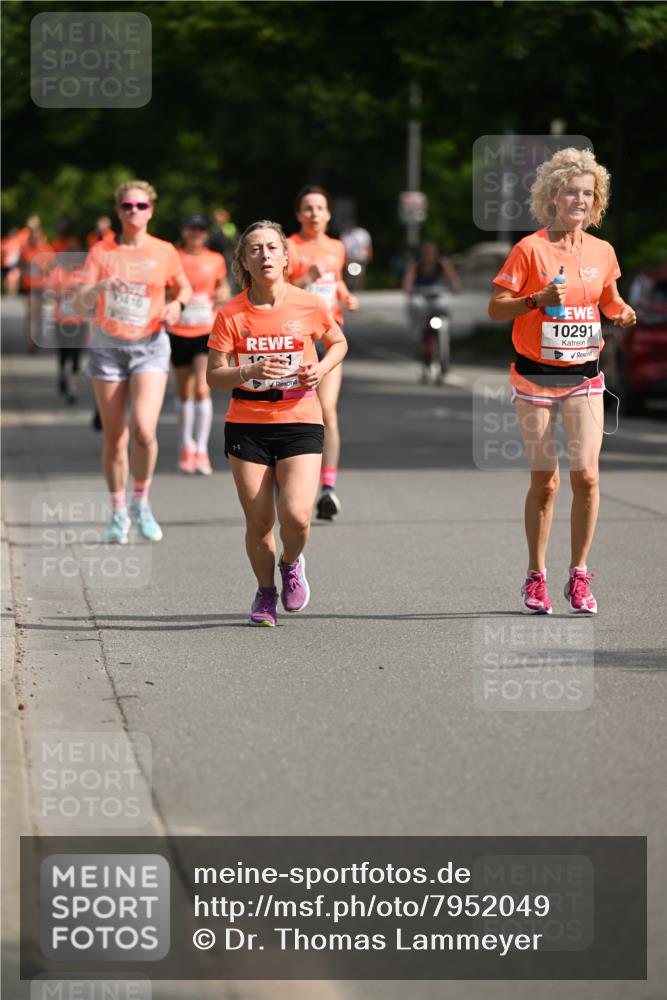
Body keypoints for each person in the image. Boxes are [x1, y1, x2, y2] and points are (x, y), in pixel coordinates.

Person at [488, 147, 636, 615]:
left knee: (587, 476)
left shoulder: (602, 251)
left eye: (587, 194)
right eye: (570, 192)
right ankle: (536, 576)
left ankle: (579, 574)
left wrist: (622, 311)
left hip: (584, 377)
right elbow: (496, 306)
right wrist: (534, 300)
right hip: (534, 377)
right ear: (552, 197)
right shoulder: (530, 248)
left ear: (597, 203)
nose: (579, 200)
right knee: (547, 481)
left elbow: (608, 300)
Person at [207, 220, 347, 627]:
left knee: (298, 516)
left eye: (272, 248)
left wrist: (320, 368)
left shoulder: (308, 304)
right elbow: (214, 376)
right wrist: (247, 369)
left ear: (287, 258)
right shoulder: (231, 314)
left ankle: (291, 562)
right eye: (255, 249)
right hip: (247, 422)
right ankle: (265, 593)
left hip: (300, 415)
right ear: (244, 262)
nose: (264, 255)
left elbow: (338, 342)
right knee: (260, 521)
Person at [77, 180, 192, 544]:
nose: (134, 211)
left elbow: (184, 286)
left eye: (141, 206)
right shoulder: (101, 251)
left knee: (144, 430)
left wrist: (177, 304)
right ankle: (118, 512)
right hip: (108, 348)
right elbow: (79, 301)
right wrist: (97, 289)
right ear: (118, 210)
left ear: (151, 210)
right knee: (115, 437)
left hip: (150, 346)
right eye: (127, 206)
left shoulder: (164, 250)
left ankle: (141, 501)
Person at [287, 186, 358, 520]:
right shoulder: (289, 246)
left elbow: (336, 279)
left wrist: (345, 296)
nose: (314, 213)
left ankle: (328, 488)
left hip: (328, 337)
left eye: (320, 208)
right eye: (308, 208)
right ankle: (288, 476)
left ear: (328, 214)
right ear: (299, 214)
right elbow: (280, 293)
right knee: (294, 411)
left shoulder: (336, 247)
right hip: (298, 339)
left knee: (328, 410)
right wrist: (304, 277)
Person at [167, 214, 230, 474]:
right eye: (192, 229)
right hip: (179, 330)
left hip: (206, 329)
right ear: (184, 232)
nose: (197, 234)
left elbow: (223, 286)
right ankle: (186, 444)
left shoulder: (215, 259)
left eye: (201, 230)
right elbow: (162, 288)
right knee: (185, 391)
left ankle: (201, 449)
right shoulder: (174, 258)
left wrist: (223, 293)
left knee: (203, 389)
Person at [403, 240, 461, 383]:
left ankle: (444, 350)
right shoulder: (417, 264)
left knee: (444, 312)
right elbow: (408, 281)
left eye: (431, 253)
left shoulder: (442, 263)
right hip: (420, 297)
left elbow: (452, 278)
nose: (429, 256)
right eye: (426, 253)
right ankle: (418, 336)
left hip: (436, 297)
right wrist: (409, 288)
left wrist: (454, 287)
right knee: (415, 306)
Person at [340, 223, 373, 290]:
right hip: (350, 259)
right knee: (350, 274)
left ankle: (359, 289)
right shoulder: (344, 235)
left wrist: (369, 256)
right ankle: (350, 288)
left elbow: (367, 245)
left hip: (361, 258)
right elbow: (343, 248)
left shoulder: (362, 233)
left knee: (360, 274)